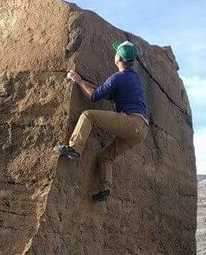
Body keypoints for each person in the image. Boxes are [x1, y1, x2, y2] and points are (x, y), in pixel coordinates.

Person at [54, 40, 149, 201]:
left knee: (88, 115)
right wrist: (83, 80)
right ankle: (105, 189)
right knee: (105, 157)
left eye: (116, 52)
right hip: (141, 130)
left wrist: (78, 81)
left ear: (118, 57)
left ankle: (75, 148)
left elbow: (94, 96)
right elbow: (105, 93)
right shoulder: (134, 78)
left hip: (131, 122)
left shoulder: (118, 78)